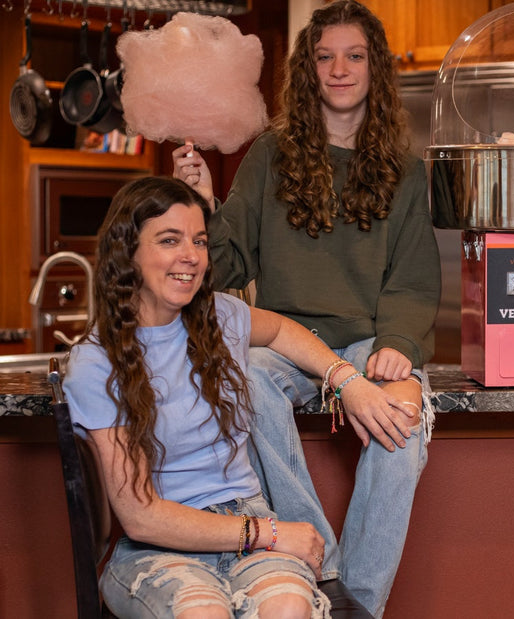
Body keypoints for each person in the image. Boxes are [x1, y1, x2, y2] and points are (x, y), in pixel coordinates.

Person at [171, 1, 441, 614]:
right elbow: (226, 265)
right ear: (307, 69)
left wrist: (398, 346)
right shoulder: (269, 155)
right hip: (283, 343)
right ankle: (329, 572)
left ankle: (353, 605)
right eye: (325, 57)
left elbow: (413, 280)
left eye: (354, 56)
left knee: (402, 421)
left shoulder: (405, 172)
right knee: (241, 379)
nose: (339, 69)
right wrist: (203, 204)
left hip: (368, 342)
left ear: (375, 68)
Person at [63, 176, 390, 617]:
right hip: (158, 548)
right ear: (128, 252)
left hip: (246, 517)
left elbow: (281, 329)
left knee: (289, 607)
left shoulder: (219, 317)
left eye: (199, 241)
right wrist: (270, 533)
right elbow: (141, 516)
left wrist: (345, 379)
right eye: (169, 240)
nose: (191, 256)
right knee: (204, 613)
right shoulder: (96, 362)